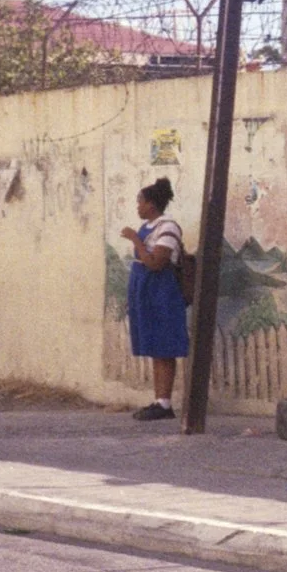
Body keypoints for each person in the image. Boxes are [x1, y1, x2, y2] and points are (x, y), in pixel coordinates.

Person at [121, 177, 191, 421]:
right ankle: (159, 400)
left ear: (151, 204)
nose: (138, 207)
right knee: (154, 346)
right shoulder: (149, 226)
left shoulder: (168, 228)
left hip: (162, 291)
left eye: (140, 202)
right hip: (146, 291)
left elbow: (155, 262)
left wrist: (135, 239)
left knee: (164, 346)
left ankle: (165, 402)